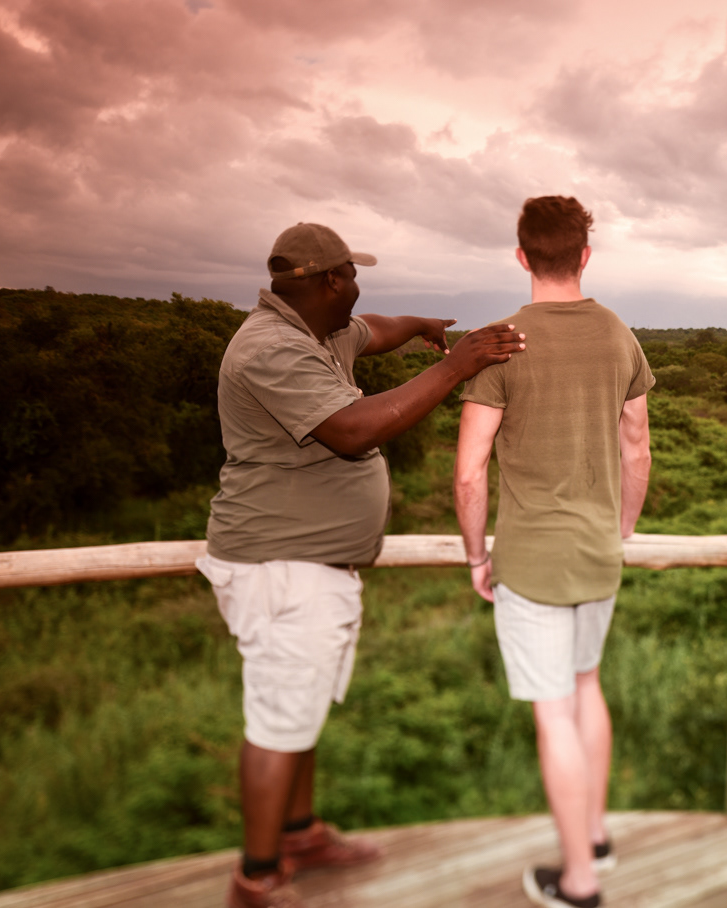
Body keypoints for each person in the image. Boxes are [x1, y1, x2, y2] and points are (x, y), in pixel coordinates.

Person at [199, 222, 526, 908]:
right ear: (328, 282)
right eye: (352, 274)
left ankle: (300, 834)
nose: (359, 285)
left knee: (301, 708)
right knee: (278, 719)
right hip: (281, 565)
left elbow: (374, 327)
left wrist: (422, 326)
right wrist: (454, 365)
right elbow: (353, 432)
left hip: (308, 562)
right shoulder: (272, 348)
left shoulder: (321, 331)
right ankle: (257, 879)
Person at [454, 197, 653, 908]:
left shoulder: (502, 342)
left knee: (553, 710)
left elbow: (470, 470)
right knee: (587, 685)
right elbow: (637, 446)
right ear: (585, 256)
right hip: (599, 551)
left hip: (532, 560)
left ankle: (579, 880)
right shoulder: (619, 334)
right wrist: (620, 528)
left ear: (521, 256)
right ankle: (594, 836)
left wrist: (478, 556)